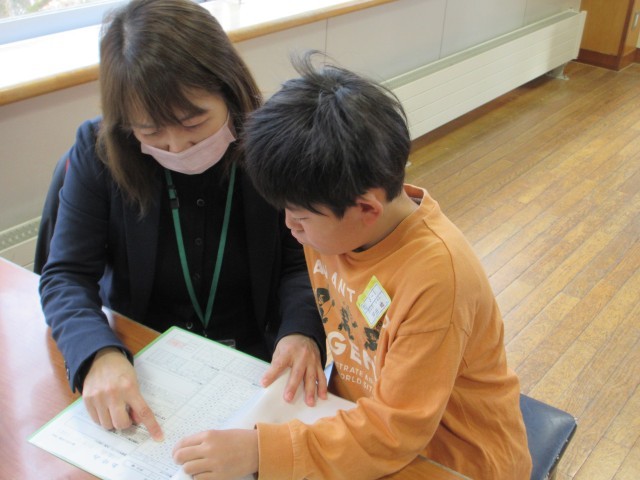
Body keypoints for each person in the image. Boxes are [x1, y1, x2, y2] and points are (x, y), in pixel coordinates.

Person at [172, 53, 533, 479]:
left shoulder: (437, 279)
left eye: (300, 217)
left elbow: (395, 432)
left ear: (366, 208)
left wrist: (261, 452)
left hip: (454, 457)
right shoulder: (335, 226)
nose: (289, 227)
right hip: (364, 424)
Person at [38, 0, 327, 443]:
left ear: (229, 89)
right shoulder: (100, 153)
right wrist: (97, 354)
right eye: (150, 131)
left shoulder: (274, 141)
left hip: (258, 361)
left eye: (194, 122)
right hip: (144, 359)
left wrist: (301, 332)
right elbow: (66, 275)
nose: (176, 146)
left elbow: (302, 261)